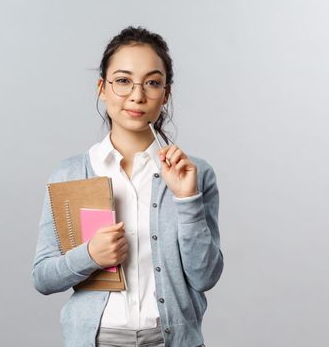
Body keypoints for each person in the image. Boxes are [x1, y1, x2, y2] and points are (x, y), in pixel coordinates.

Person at [32, 26, 224, 347]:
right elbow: (42, 277)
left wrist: (187, 199)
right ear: (101, 88)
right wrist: (90, 255)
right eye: (122, 81)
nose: (137, 95)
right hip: (95, 340)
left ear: (166, 93)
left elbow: (205, 276)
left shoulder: (195, 173)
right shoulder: (70, 173)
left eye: (152, 82)